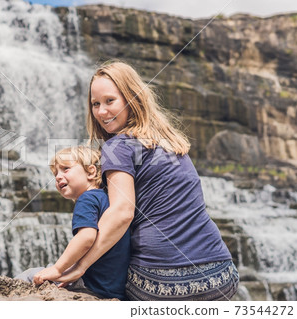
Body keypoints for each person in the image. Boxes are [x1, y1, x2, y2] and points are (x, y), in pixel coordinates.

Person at [51, 61, 239, 301]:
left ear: (132, 98)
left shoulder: (116, 146)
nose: (101, 112)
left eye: (110, 101)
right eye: (95, 104)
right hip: (221, 275)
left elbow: (121, 213)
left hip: (161, 282)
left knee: (39, 277)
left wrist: (79, 266)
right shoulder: (170, 143)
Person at [15, 146, 130, 300]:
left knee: (28, 276)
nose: (57, 177)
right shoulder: (109, 199)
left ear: (91, 172)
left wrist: (58, 268)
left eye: (65, 169)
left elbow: (86, 237)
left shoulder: (86, 200)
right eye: (56, 173)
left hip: (91, 285)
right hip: (113, 286)